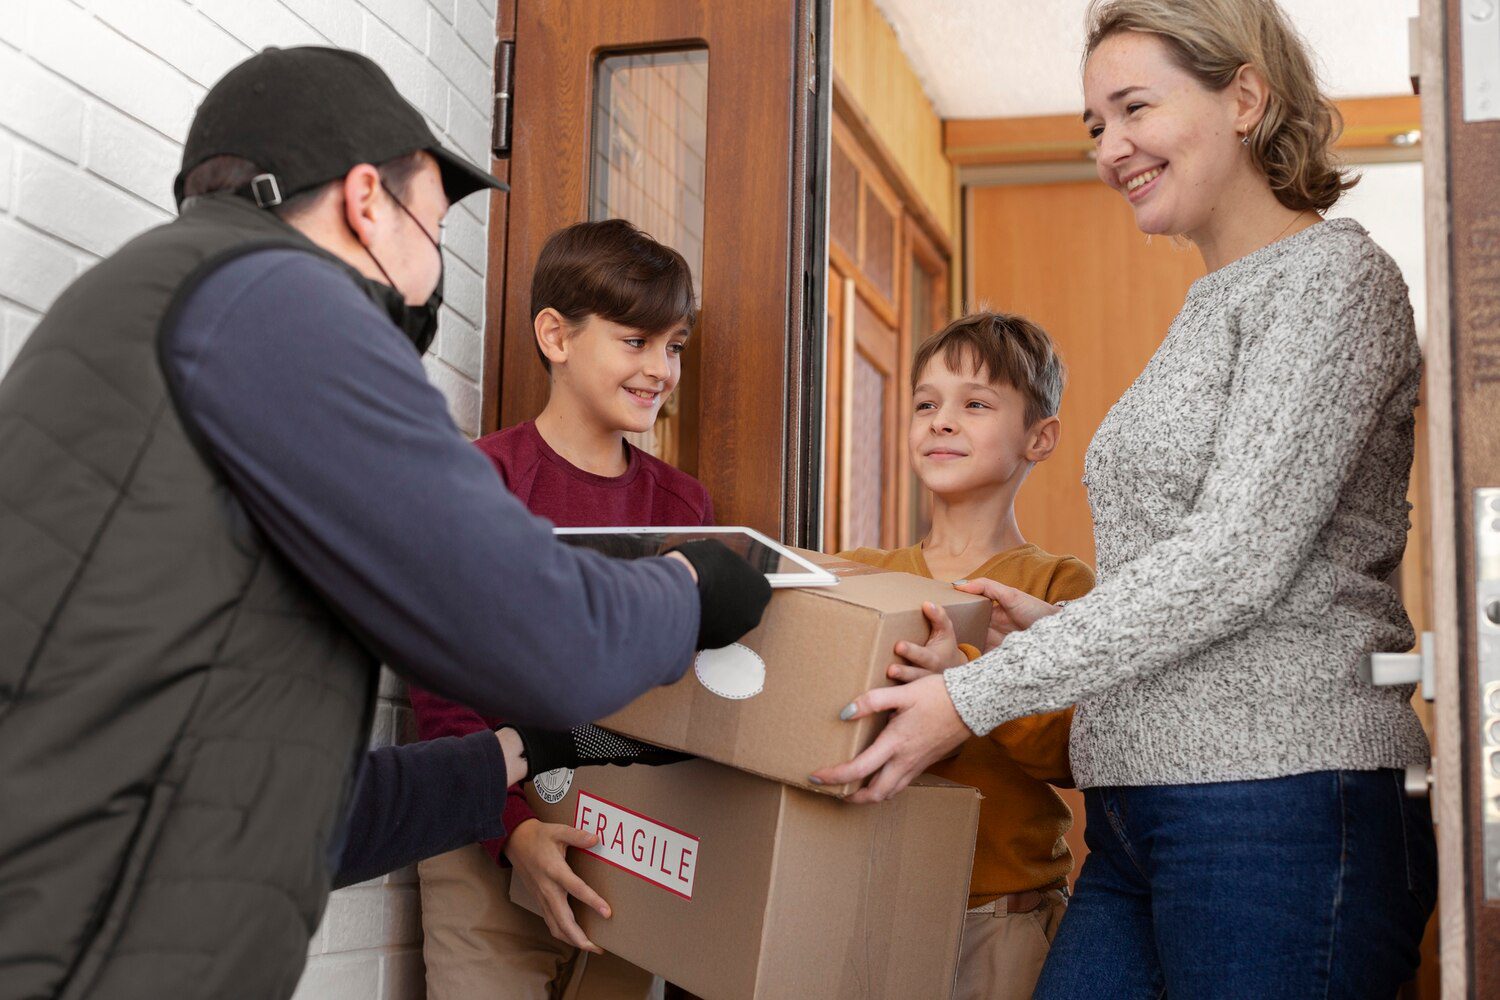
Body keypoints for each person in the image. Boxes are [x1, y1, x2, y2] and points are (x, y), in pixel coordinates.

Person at [0, 47, 768, 1000]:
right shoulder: (272, 299)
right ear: (368, 202)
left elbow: (272, 799)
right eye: (434, 224)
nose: (435, 266)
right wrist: (691, 592)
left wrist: (517, 753)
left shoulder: (187, 311)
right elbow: (530, 629)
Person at [813, 1, 1437, 996]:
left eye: (1134, 107)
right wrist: (1059, 627)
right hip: (1138, 815)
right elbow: (1196, 573)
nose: (1111, 147)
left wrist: (970, 694)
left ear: (1244, 96)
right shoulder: (1207, 305)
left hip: (1276, 803)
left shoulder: (1334, 279)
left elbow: (1235, 561)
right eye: (1095, 124)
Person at [411, 219, 712, 1000]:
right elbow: (441, 686)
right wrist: (512, 831)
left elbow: (692, 695)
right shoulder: (481, 481)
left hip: (626, 850)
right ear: (556, 335)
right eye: (635, 341)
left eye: (673, 346)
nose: (660, 369)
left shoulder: (683, 506)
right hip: (484, 838)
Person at [832, 313, 1093, 1000]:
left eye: (975, 404)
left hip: (1000, 921)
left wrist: (970, 684)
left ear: (1040, 437)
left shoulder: (1060, 589)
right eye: (926, 404)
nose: (941, 421)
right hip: (865, 904)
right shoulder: (859, 572)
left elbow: (1072, 755)